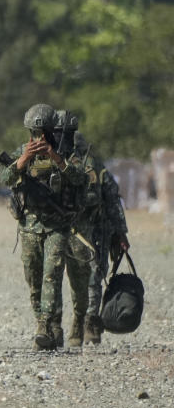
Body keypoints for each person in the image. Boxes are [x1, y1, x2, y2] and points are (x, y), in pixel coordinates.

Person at [0, 104, 88, 350]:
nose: (38, 137)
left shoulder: (66, 152)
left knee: (52, 275)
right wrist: (24, 159)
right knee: (34, 279)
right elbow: (5, 179)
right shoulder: (23, 151)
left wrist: (56, 158)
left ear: (50, 131)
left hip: (57, 227)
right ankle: (49, 325)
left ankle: (45, 326)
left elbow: (80, 179)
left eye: (42, 132)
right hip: (29, 226)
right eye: (34, 132)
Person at [51, 113, 130, 345]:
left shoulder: (93, 165)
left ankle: (90, 323)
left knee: (93, 275)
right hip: (63, 227)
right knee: (55, 275)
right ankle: (54, 325)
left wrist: (120, 232)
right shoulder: (51, 161)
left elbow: (112, 199)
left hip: (94, 228)